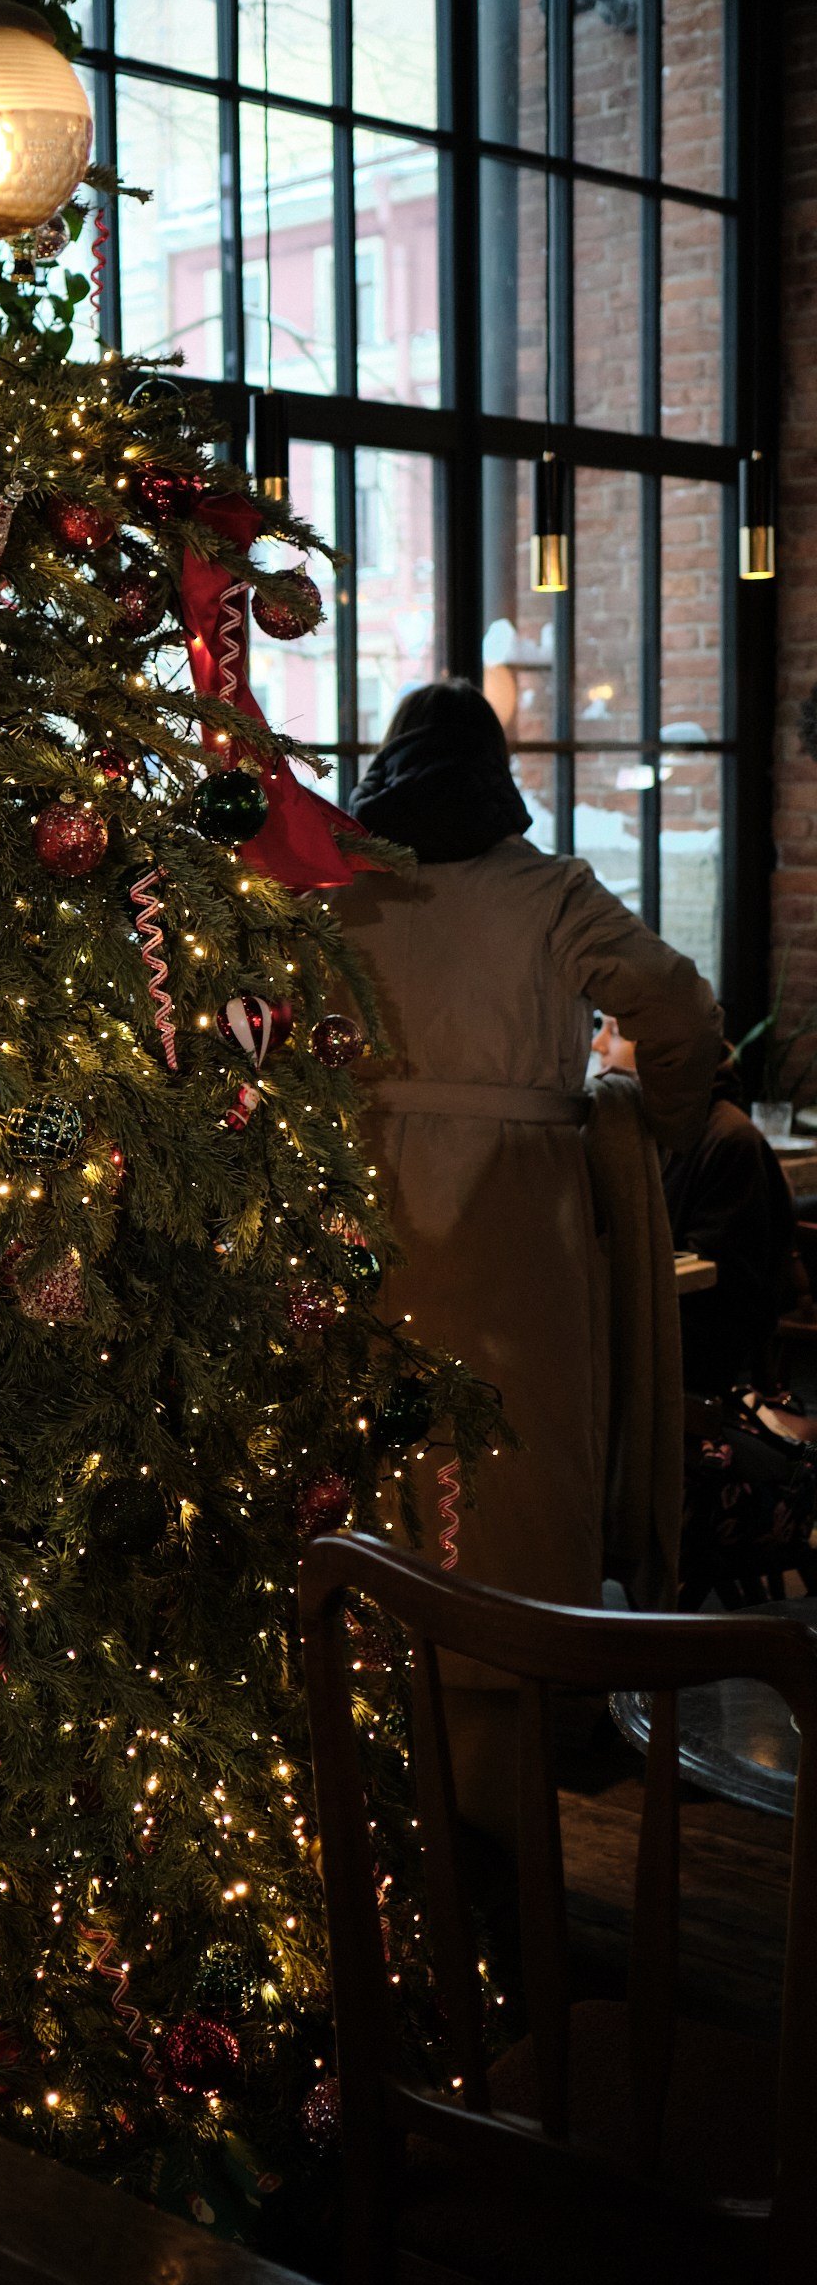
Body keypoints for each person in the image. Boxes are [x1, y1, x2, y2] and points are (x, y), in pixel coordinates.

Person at [336, 680, 722, 1830]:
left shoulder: (342, 891)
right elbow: (677, 1006)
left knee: (375, 1493)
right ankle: (501, 1862)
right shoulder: (546, 891)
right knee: (506, 1496)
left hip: (367, 1217)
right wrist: (650, 1119)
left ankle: (385, 1851)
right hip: (519, 1229)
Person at [593, 1019, 797, 1406]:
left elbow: (724, 1303)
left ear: (665, 1049)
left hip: (691, 1370)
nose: (597, 1045)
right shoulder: (642, 1132)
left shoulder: (729, 1141)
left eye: (614, 1031)